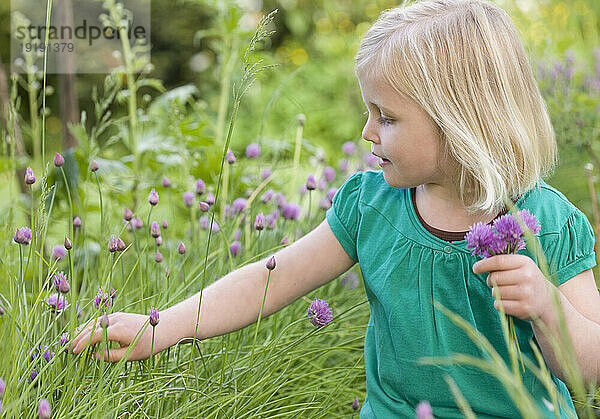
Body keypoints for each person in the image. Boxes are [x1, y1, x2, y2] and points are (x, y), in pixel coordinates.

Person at [71, 0, 600, 417]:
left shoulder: (545, 226)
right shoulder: (372, 207)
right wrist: (163, 327)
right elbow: (271, 279)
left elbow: (589, 365)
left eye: (386, 117)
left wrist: (545, 307)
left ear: (459, 122)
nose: (366, 133)